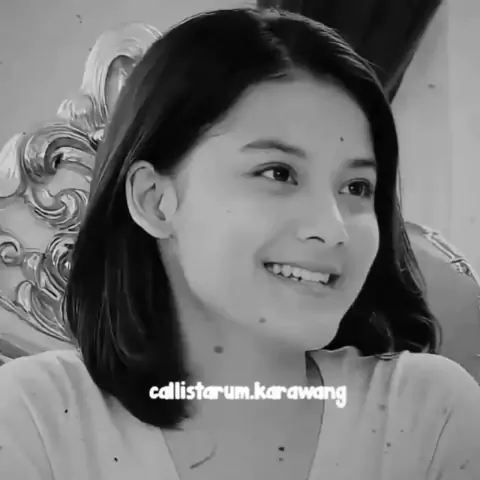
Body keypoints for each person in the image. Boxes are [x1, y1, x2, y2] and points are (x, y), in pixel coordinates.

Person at [0, 7, 478, 480]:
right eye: (279, 173)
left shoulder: (429, 414)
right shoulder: (35, 418)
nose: (333, 229)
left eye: (356, 187)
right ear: (155, 201)